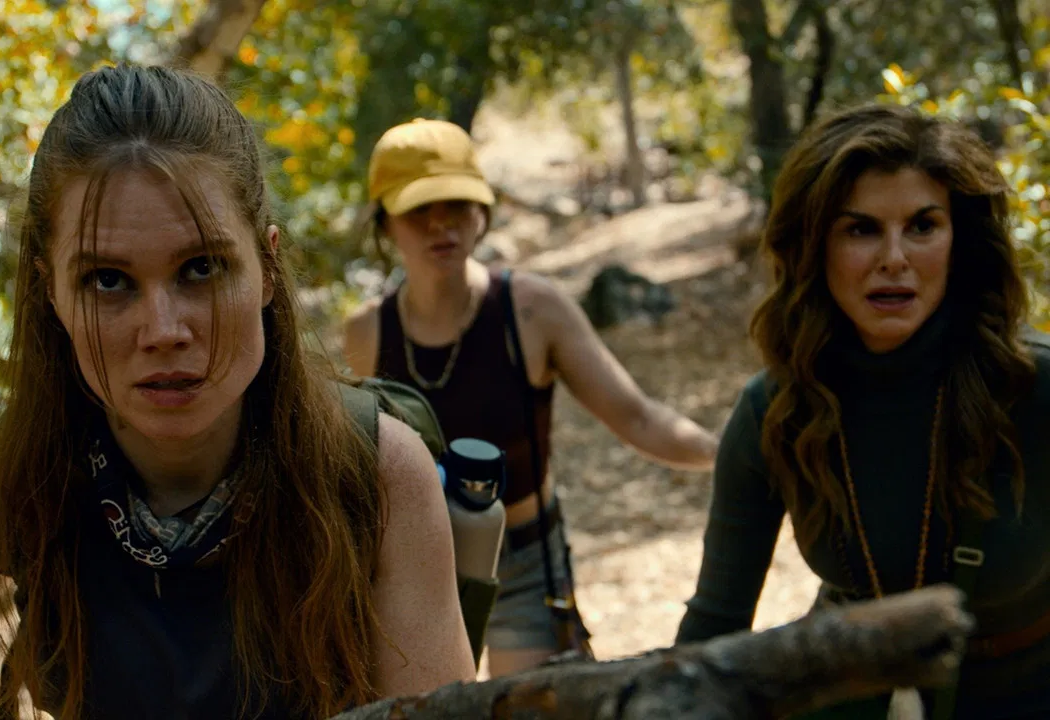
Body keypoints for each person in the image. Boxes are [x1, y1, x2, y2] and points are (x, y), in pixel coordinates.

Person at [0, 65, 476, 720]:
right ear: (51, 292)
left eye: (201, 268)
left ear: (267, 267)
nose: (163, 331)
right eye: (108, 281)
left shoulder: (377, 474)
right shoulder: (8, 473)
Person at [675, 102, 1050, 719]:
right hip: (851, 698)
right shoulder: (777, 411)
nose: (894, 258)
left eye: (922, 226)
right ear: (814, 246)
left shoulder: (1034, 386)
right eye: (861, 230)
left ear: (959, 241)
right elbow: (714, 623)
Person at [342, 118, 720, 677]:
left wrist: (734, 454)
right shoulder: (367, 333)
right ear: (385, 224)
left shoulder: (531, 309)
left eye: (456, 203)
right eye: (418, 209)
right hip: (415, 564)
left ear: (482, 212)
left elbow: (638, 417)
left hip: (525, 560)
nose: (440, 224)